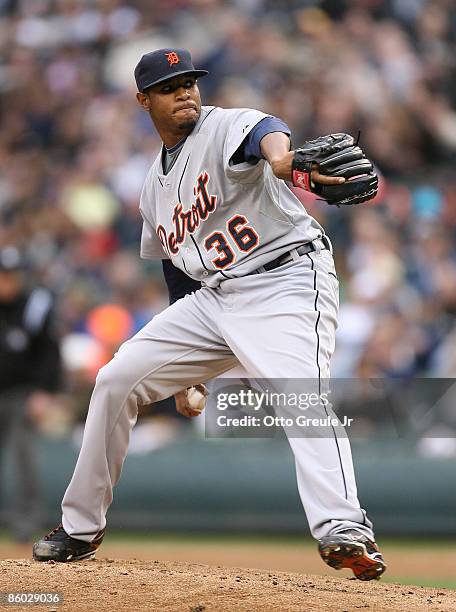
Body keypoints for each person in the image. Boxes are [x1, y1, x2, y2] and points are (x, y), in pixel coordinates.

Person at [33, 48, 386, 580]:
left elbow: (267, 130)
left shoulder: (223, 126)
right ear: (143, 100)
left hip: (285, 279)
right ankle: (80, 528)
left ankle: (344, 526)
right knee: (115, 380)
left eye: (190, 82)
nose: (186, 93)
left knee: (297, 393)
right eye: (171, 86)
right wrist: (186, 374)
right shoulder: (153, 188)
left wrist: (284, 161)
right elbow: (178, 269)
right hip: (214, 298)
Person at [0, 246, 62, 541]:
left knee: (23, 456)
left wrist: (44, 392)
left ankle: (27, 520)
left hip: (22, 393)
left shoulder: (33, 306)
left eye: (10, 276)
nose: (6, 281)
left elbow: (50, 353)